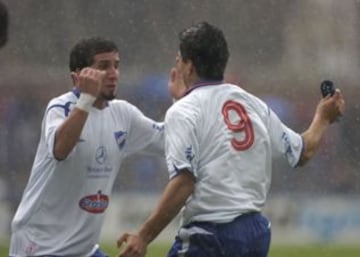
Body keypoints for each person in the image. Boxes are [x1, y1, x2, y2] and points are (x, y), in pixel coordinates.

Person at [116, 22, 345, 257]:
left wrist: (143, 236)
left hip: (211, 235)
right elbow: (303, 151)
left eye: (179, 61)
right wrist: (322, 117)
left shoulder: (184, 111)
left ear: (189, 67)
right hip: (254, 234)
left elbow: (184, 182)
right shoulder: (252, 103)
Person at [8, 37, 165, 257]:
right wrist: (86, 100)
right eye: (103, 66)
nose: (113, 73)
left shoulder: (123, 114)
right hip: (41, 247)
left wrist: (182, 104)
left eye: (116, 65)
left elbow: (168, 141)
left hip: (85, 251)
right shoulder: (60, 107)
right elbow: (60, 150)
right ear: (77, 77)